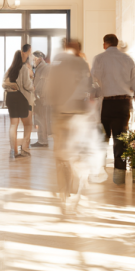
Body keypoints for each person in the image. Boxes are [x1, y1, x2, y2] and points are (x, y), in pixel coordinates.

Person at [46, 40, 93, 213]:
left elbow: (50, 89)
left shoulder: (58, 60)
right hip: (78, 114)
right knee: (74, 151)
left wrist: (54, 104)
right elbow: (88, 87)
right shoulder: (82, 63)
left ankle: (63, 191)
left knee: (60, 153)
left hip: (60, 113)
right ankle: (75, 179)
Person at [90, 33, 135, 184]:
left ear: (104, 44)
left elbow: (93, 81)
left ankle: (100, 171)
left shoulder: (99, 58)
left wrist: (93, 95)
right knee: (121, 139)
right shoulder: (127, 59)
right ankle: (119, 176)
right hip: (123, 103)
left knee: (102, 138)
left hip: (106, 103)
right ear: (116, 44)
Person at [3, 45, 34, 158]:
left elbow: (4, 83)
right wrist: (33, 87)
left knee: (13, 125)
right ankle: (24, 149)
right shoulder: (24, 68)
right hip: (22, 98)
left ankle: (14, 150)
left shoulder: (10, 70)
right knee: (28, 124)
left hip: (10, 98)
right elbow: (26, 85)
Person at [31, 51, 51, 148]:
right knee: (40, 119)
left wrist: (39, 96)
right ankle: (42, 140)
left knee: (41, 119)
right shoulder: (40, 67)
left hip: (42, 98)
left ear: (39, 58)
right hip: (40, 97)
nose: (33, 61)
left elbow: (43, 83)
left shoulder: (44, 68)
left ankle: (42, 141)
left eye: (34, 59)